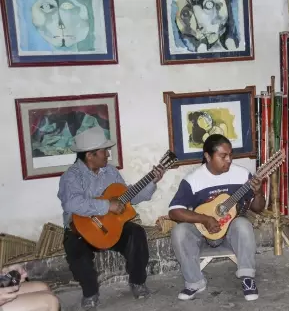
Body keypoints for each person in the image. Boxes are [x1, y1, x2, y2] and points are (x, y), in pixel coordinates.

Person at [57, 126, 165, 310]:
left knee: (136, 233)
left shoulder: (111, 172)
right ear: (90, 155)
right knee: (74, 246)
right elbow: (72, 204)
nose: (108, 154)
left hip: (111, 229)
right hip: (81, 230)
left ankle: (138, 281)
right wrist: (107, 205)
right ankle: (90, 293)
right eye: (104, 151)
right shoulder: (71, 176)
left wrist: (151, 182)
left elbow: (127, 197)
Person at [168, 134, 265, 301]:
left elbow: (258, 208)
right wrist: (204, 219)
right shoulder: (193, 180)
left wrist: (257, 192)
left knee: (243, 224)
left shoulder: (242, 175)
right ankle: (194, 282)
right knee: (179, 231)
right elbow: (174, 211)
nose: (228, 160)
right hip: (202, 232)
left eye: (230, 155)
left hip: (230, 232)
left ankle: (248, 278)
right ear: (207, 156)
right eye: (223, 156)